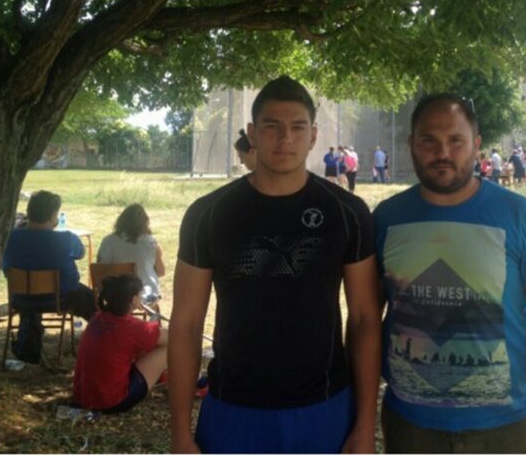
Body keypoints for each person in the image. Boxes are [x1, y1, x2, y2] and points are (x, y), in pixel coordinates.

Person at [169, 75, 381, 454]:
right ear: (252, 133)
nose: (285, 139)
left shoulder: (347, 213)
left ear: (313, 135)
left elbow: (365, 318)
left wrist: (365, 425)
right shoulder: (208, 215)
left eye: (297, 127)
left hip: (323, 407)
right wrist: (180, 434)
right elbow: (185, 324)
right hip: (233, 409)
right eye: (272, 126)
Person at [373, 93, 526, 454]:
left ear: (477, 145)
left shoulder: (520, 216)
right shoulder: (385, 219)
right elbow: (366, 319)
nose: (442, 152)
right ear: (411, 144)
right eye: (429, 140)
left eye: (456, 140)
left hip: (510, 429)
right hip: (411, 429)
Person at [2, 190, 97, 363]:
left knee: (36, 294)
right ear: (53, 215)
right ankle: (106, 338)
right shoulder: (66, 239)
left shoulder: (10, 238)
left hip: (22, 299)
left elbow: (6, 268)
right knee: (92, 301)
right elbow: (81, 253)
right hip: (61, 298)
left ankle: (29, 340)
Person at [73, 274, 168, 413]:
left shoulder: (97, 317)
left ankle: (165, 378)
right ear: (134, 300)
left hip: (83, 398)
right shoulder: (132, 327)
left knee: (149, 344)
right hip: (111, 402)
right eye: (140, 295)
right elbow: (174, 338)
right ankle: (189, 383)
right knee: (168, 349)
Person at [97, 204, 166, 298]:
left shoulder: (107, 241)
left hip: (114, 295)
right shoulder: (151, 243)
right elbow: (161, 272)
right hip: (143, 295)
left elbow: (99, 269)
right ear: (145, 222)